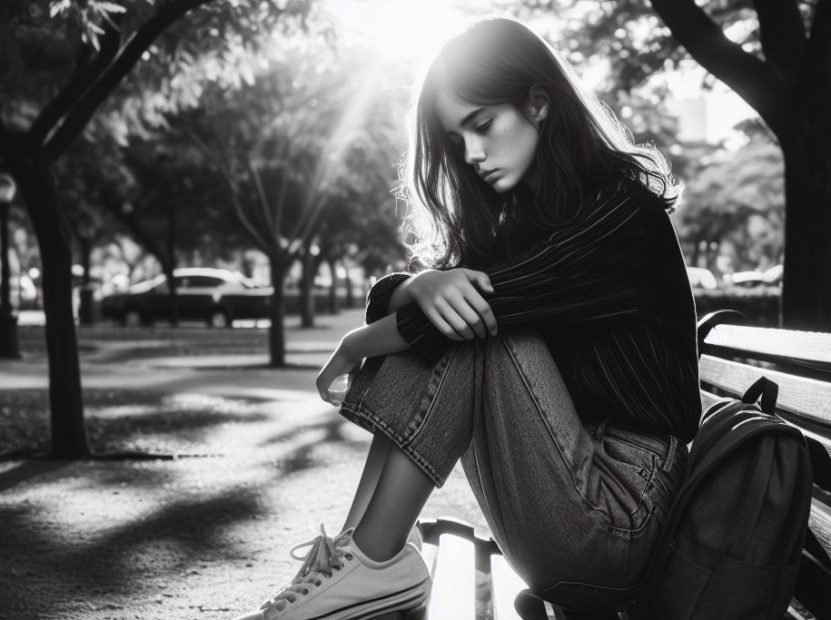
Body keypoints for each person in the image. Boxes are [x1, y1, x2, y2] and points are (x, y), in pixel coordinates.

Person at [234, 16, 701, 620]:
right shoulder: (528, 220)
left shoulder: (620, 215)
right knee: (460, 310)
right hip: (566, 496)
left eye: (482, 126)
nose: (471, 155)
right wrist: (423, 282)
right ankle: (357, 557)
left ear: (537, 103)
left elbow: (461, 317)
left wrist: (356, 343)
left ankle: (373, 560)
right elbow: (421, 306)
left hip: (622, 518)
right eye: (457, 140)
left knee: (473, 324)